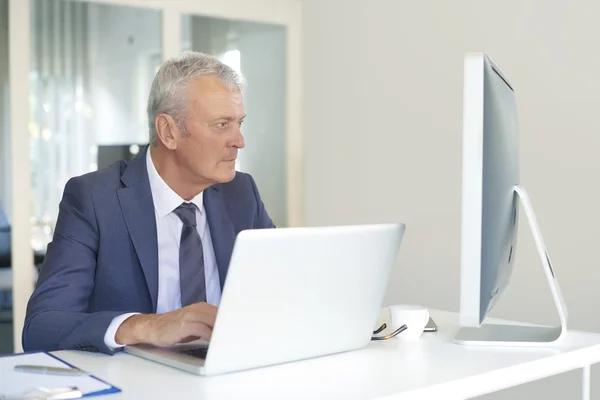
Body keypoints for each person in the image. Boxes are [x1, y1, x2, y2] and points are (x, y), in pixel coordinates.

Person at [22, 52, 275, 354]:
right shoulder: (93, 199)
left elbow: (282, 291)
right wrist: (149, 326)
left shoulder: (241, 192)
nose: (239, 140)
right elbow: (42, 327)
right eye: (222, 124)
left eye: (239, 123)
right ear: (168, 131)